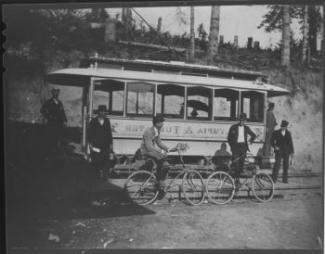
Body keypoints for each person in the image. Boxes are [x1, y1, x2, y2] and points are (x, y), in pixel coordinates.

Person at [140, 115, 171, 197]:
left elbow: (159, 143)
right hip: (146, 151)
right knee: (163, 162)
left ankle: (159, 181)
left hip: (151, 151)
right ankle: (160, 183)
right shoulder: (148, 132)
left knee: (165, 164)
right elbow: (149, 147)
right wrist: (160, 151)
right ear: (157, 123)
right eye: (162, 123)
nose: (163, 124)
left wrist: (168, 149)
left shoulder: (156, 131)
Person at [227, 113, 256, 185]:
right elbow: (229, 138)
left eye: (243, 121)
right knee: (236, 164)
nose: (242, 122)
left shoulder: (246, 128)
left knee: (241, 164)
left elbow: (253, 135)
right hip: (235, 147)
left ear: (245, 121)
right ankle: (236, 180)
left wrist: (251, 141)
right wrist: (232, 146)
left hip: (243, 147)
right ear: (239, 120)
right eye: (241, 120)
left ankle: (238, 179)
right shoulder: (233, 127)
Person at [88, 105, 114, 179]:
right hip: (96, 145)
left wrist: (111, 144)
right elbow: (90, 134)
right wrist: (90, 144)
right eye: (101, 111)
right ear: (98, 112)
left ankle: (104, 175)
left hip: (105, 145)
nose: (103, 113)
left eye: (104, 111)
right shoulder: (93, 121)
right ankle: (96, 175)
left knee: (105, 159)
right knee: (96, 159)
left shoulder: (107, 121)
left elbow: (109, 134)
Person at [40, 88, 67, 156]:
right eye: (54, 92)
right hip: (51, 124)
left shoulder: (59, 102)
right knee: (51, 139)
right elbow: (42, 110)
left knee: (58, 139)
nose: (56, 93)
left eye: (57, 92)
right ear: (52, 93)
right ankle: (50, 154)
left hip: (59, 124)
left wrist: (65, 120)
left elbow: (62, 112)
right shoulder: (48, 102)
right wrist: (49, 116)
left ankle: (57, 154)